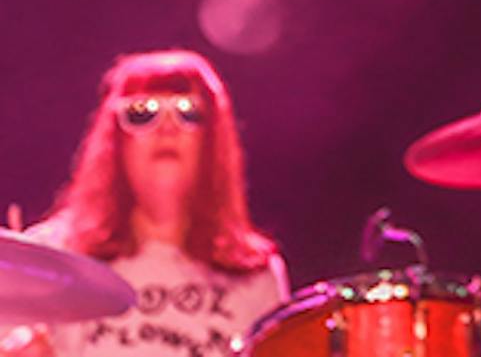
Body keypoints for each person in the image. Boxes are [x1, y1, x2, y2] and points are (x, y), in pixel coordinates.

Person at [2, 50, 290, 357]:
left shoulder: (256, 275)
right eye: (142, 112)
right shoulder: (51, 255)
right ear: (115, 140)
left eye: (188, 111)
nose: (167, 127)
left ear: (213, 138)